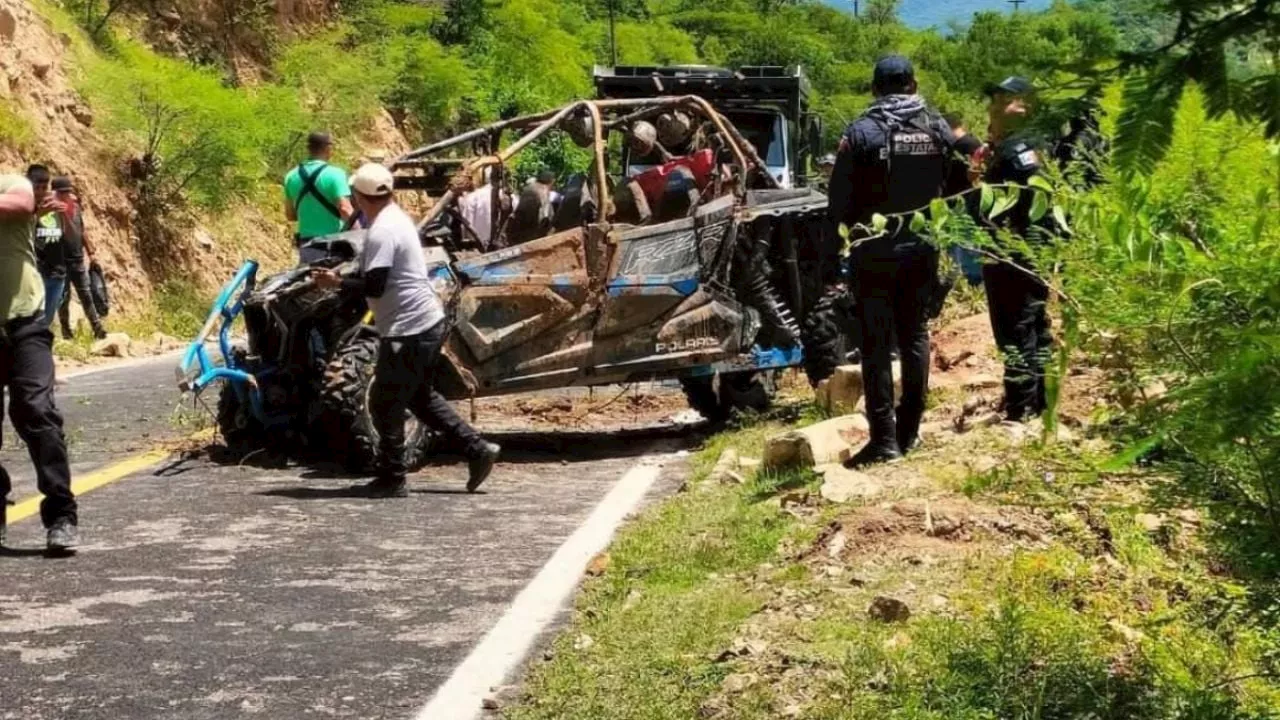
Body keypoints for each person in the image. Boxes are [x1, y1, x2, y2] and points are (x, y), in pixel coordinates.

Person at [311, 164, 500, 498]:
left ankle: (393, 477)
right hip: (421, 321)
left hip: (409, 327)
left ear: (358, 196)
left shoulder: (383, 230)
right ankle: (477, 448)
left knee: (386, 401)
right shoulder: (395, 218)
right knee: (418, 395)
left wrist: (336, 281)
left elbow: (375, 285)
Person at [828, 55, 966, 468]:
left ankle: (884, 441)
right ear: (913, 84)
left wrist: (831, 263)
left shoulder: (861, 132)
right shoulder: (938, 128)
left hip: (873, 254)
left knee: (875, 345)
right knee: (915, 337)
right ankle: (909, 432)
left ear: (875, 88)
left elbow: (837, 204)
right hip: (923, 250)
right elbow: (959, 192)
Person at [0, 170, 78, 551]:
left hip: (24, 322)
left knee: (35, 409)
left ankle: (61, 514)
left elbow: (21, 203)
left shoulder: (9, 182)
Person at [979, 76, 1055, 423]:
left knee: (1018, 328)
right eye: (994, 99)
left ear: (1027, 106)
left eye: (1004, 99)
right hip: (1016, 252)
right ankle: (1037, 401)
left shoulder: (1022, 150)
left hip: (1014, 252)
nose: (995, 105)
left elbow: (1027, 204)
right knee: (1029, 326)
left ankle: (1022, 409)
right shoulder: (1017, 145)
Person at [284, 131, 354, 263]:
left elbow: (290, 215)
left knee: (309, 280)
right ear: (328, 148)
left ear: (308, 149)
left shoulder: (291, 176)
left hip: (307, 244)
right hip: (333, 244)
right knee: (332, 281)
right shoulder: (335, 174)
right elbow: (345, 209)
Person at [53, 177, 107, 341]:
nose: (67, 195)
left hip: (77, 260)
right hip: (60, 262)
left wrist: (91, 253)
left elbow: (82, 231)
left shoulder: (75, 208)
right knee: (64, 298)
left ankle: (97, 327)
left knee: (87, 294)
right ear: (55, 194)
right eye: (63, 193)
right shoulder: (50, 212)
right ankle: (66, 332)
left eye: (68, 192)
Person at [27, 165, 66, 329]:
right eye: (37, 187)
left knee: (46, 322)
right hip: (35, 273)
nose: (41, 192)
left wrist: (62, 214)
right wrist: (39, 214)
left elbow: (61, 234)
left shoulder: (53, 206)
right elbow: (24, 231)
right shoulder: (24, 208)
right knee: (33, 321)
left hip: (57, 273)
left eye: (45, 187)